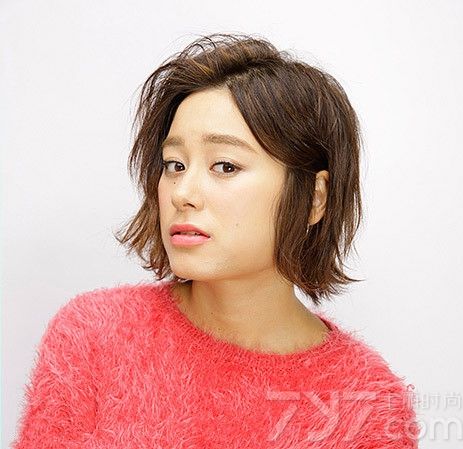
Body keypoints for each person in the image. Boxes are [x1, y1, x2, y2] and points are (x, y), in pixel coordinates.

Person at [11, 32, 420, 448]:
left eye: (225, 166)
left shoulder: (370, 404)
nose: (183, 193)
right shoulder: (94, 336)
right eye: (174, 164)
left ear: (315, 198)